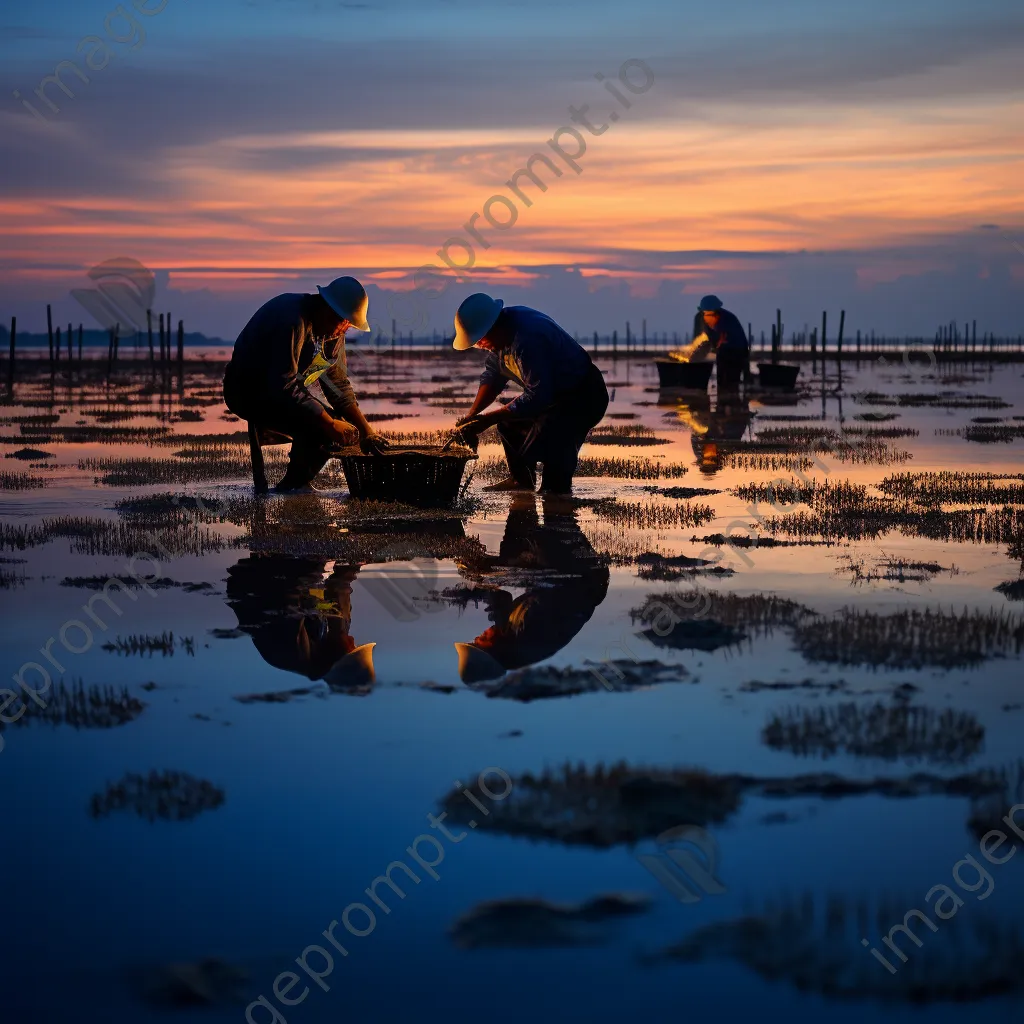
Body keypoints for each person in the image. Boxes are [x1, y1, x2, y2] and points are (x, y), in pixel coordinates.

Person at [223, 276, 387, 494]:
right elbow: (283, 385)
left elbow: (337, 384)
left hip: (285, 394)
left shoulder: (332, 331)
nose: (344, 331)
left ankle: (295, 483)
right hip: (248, 392)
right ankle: (293, 488)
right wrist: (329, 424)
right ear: (328, 309)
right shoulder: (292, 320)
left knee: (339, 428)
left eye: (349, 326)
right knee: (326, 428)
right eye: (343, 323)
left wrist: (366, 431)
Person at [451, 293, 609, 494]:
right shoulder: (499, 341)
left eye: (480, 339)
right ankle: (521, 482)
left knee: (554, 446)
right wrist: (473, 416)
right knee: (509, 426)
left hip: (582, 397)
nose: (480, 345)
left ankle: (558, 499)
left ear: (493, 326)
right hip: (553, 399)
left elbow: (538, 396)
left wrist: (487, 419)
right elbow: (493, 377)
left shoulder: (527, 338)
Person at [453, 494, 610, 684]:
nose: (479, 635)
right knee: (532, 531)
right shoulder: (523, 638)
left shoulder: (517, 643)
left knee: (541, 529)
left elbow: (505, 594)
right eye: (479, 642)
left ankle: (544, 496)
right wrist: (491, 600)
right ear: (491, 648)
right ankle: (537, 498)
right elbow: (504, 596)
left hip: (586, 580)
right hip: (584, 578)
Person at [225, 552, 376, 693]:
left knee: (313, 562)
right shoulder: (325, 643)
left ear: (336, 660)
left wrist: (338, 631)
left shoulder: (286, 653)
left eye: (352, 649)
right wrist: (356, 560)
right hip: (287, 583)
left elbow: (285, 596)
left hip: (258, 582)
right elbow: (337, 588)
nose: (353, 640)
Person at [694, 294, 749, 390]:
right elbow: (710, 338)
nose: (706, 316)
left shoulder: (725, 319)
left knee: (731, 380)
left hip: (736, 351)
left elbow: (721, 339)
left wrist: (712, 347)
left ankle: (732, 399)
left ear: (715, 311)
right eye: (705, 313)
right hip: (726, 350)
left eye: (708, 313)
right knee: (721, 379)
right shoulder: (709, 321)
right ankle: (724, 398)